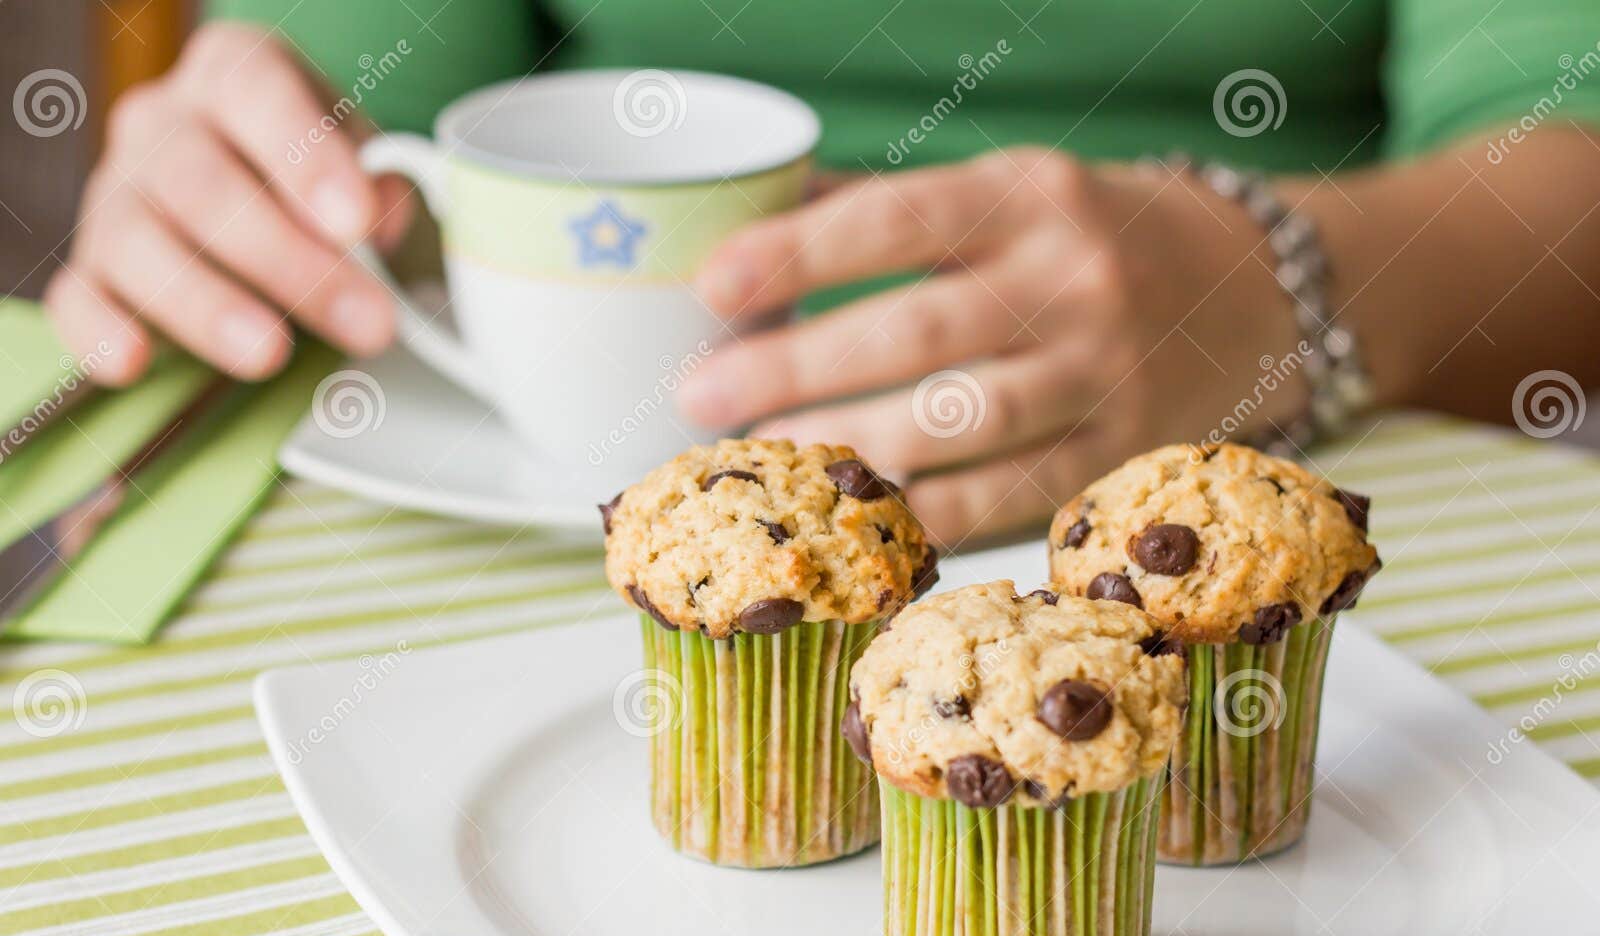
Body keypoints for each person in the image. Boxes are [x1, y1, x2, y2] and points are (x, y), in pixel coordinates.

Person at [45, 1, 1600, 545]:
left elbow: (1564, 157)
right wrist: (240, 181)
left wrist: (1270, 285)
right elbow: (364, 100)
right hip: (518, 556)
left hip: (1253, 453)